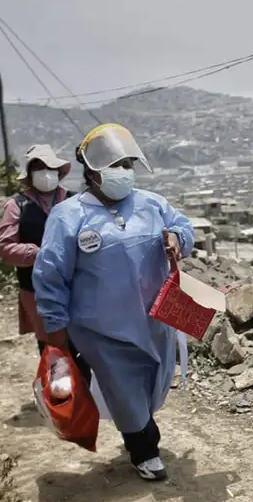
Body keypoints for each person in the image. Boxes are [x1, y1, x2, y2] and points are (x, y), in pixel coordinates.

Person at [32, 123, 195, 481]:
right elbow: (50, 274)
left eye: (129, 165)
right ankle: (144, 449)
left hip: (153, 318)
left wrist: (177, 238)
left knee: (153, 383)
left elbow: (184, 226)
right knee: (123, 390)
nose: (125, 172)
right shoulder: (68, 216)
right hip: (100, 327)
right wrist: (55, 328)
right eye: (116, 165)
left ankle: (139, 426)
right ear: (92, 173)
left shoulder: (151, 204)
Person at [0, 144, 88, 369]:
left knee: (82, 346)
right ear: (29, 175)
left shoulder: (76, 202)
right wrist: (38, 254)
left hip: (77, 288)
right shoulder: (17, 205)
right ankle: (58, 399)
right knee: (52, 349)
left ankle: (85, 398)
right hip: (36, 291)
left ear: (58, 171)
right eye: (38, 168)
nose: (45, 172)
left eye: (49, 167)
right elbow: (6, 247)